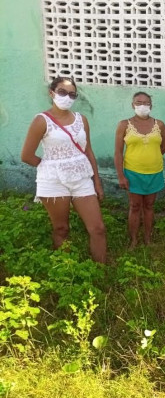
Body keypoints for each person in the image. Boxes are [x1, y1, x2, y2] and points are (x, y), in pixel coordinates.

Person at [20, 77, 106, 263]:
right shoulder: (41, 120)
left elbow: (88, 150)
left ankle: (101, 271)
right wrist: (51, 166)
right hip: (53, 180)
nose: (67, 97)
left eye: (72, 94)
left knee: (98, 228)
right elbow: (26, 155)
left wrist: (96, 181)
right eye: (62, 92)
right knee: (61, 228)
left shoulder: (81, 120)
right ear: (51, 93)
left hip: (81, 178)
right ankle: (66, 272)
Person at [114, 92, 165, 248]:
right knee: (135, 206)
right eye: (139, 102)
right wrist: (121, 176)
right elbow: (118, 152)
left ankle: (148, 239)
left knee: (150, 206)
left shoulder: (160, 125)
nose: (142, 105)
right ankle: (133, 240)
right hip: (132, 173)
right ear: (133, 105)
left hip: (154, 172)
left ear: (151, 105)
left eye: (146, 103)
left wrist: (151, 157)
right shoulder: (124, 125)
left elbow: (164, 147)